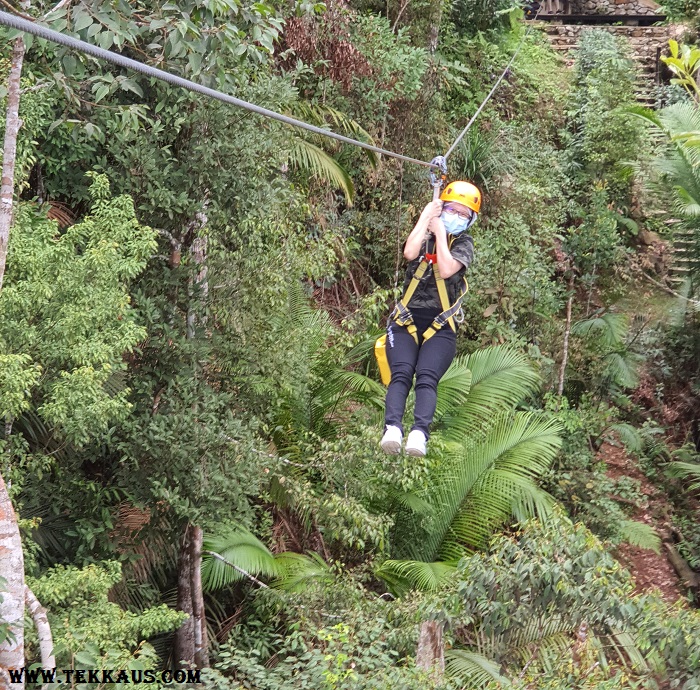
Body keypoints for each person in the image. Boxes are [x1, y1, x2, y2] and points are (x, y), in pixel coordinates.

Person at [380, 181, 480, 457]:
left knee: (426, 377)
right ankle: (392, 429)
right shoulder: (424, 234)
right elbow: (409, 253)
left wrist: (441, 232)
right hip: (406, 320)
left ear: (470, 220)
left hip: (441, 326)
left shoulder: (464, 243)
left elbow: (447, 269)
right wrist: (427, 217)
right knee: (401, 373)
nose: (457, 217)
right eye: (452, 211)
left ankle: (419, 434)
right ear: (442, 208)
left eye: (464, 214)